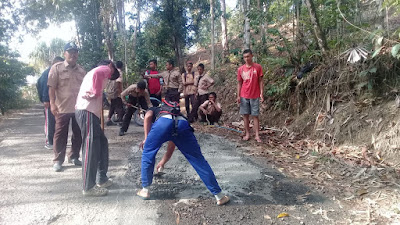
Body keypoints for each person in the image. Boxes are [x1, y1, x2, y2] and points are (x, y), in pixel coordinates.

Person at [136, 102, 230, 206]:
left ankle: (145, 190)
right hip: (183, 125)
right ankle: (219, 196)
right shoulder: (177, 114)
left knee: (148, 153)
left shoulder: (153, 109)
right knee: (198, 159)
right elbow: (172, 144)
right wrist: (163, 162)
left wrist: (146, 138)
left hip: (162, 124)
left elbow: (148, 116)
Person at [75, 60, 120, 196]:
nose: (109, 77)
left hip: (90, 112)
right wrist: (95, 92)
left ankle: (102, 178)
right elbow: (100, 75)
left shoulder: (93, 73)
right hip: (86, 111)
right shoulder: (104, 69)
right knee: (91, 147)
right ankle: (88, 187)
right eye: (111, 76)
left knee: (101, 143)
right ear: (111, 66)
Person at [48, 42, 86, 172]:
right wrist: (52, 104)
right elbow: (51, 88)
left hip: (79, 108)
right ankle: (58, 160)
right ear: (64, 53)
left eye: (75, 52)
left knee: (78, 133)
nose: (73, 54)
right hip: (62, 108)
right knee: (60, 134)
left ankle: (74, 156)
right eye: (70, 52)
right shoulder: (56, 68)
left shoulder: (81, 70)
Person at [36, 56, 64, 150]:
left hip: (58, 102)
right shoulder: (47, 73)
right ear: (54, 63)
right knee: (50, 122)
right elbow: (44, 86)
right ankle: (49, 142)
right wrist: (46, 100)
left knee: (57, 122)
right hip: (49, 101)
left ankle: (56, 141)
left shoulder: (58, 73)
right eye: (59, 64)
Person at [236, 49, 264, 143]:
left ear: (252, 56)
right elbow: (239, 83)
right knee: (245, 116)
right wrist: (238, 95)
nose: (246, 58)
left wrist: (261, 93)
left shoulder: (258, 67)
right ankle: (247, 133)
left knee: (255, 115)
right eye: (244, 57)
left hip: (255, 95)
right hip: (244, 95)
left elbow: (260, 81)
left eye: (248, 56)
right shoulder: (240, 69)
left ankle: (257, 135)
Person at [105, 61, 124, 125]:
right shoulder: (119, 73)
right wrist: (120, 92)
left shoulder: (111, 72)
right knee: (120, 106)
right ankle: (120, 120)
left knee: (112, 106)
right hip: (116, 92)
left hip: (109, 92)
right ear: (122, 66)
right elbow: (118, 82)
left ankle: (108, 119)